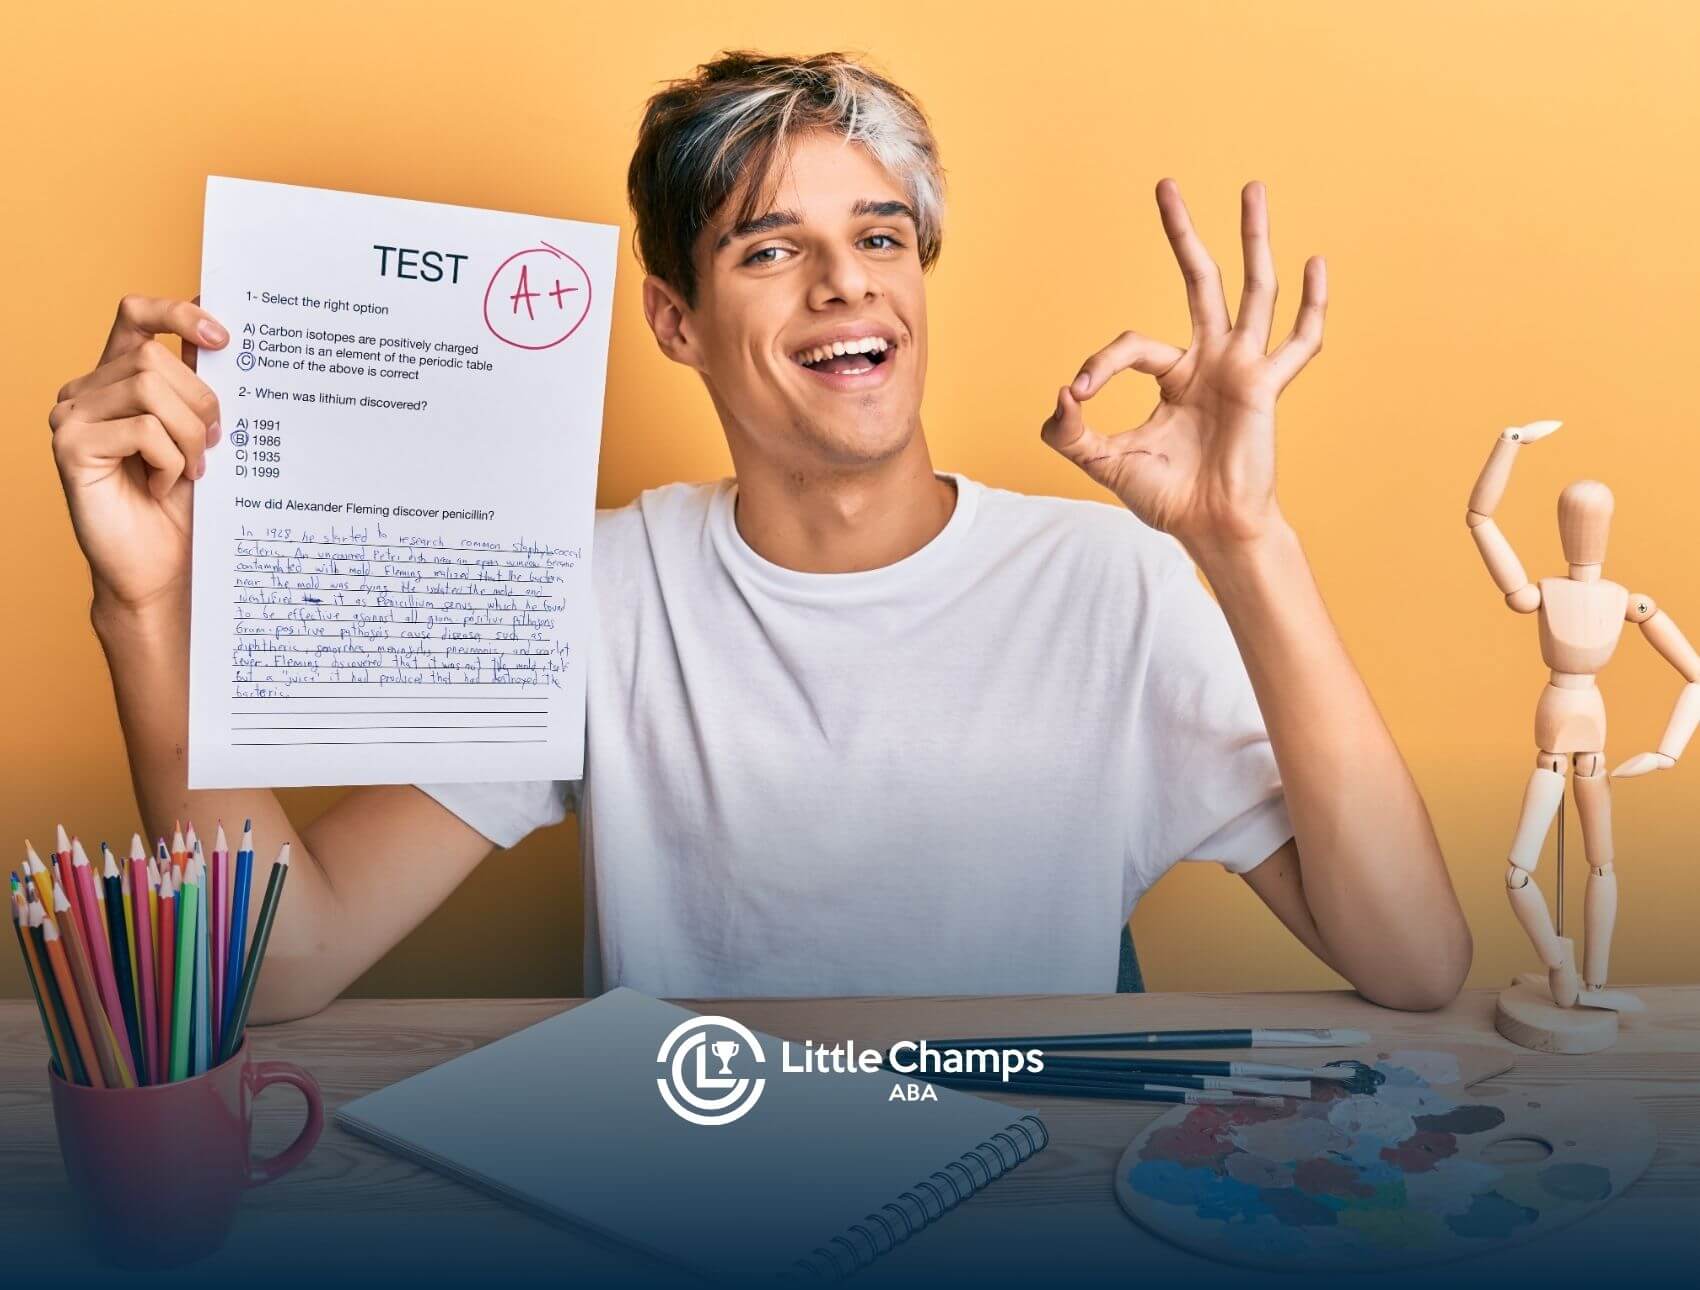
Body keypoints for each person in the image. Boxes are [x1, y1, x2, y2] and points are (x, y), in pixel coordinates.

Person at [46, 51, 1470, 1017]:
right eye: (772, 248)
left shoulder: (1111, 584)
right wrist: (148, 611)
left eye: (884, 235)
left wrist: (1246, 541)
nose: (847, 284)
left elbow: (1414, 962)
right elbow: (282, 959)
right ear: (675, 318)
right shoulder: (594, 591)